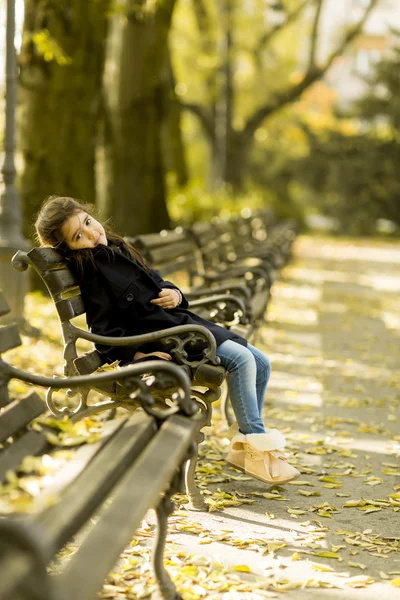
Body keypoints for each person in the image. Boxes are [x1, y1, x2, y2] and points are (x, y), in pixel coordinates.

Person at [35, 195, 299, 485]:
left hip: (179, 325)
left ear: (90, 214)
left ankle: (242, 449)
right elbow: (103, 329)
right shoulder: (93, 271)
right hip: (169, 340)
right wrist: (136, 355)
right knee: (243, 360)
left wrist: (175, 294)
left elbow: (157, 281)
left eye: (87, 222)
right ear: (69, 248)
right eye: (78, 237)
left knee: (262, 363)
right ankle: (257, 449)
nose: (90, 233)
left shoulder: (116, 248)